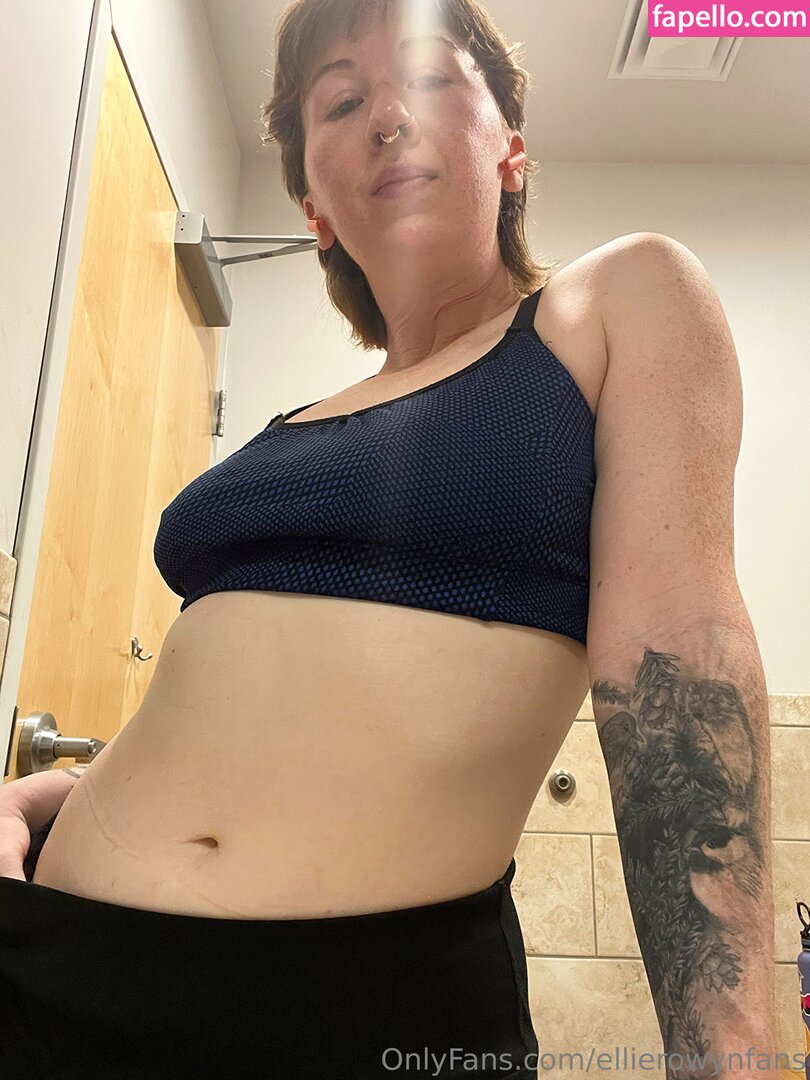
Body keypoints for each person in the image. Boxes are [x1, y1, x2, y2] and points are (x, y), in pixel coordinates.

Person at [1, 0, 776, 1076]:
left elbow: (683, 654)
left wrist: (732, 1059)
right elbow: (241, 698)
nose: (386, 116)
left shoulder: (607, 307)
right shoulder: (288, 429)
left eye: (428, 78)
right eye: (342, 101)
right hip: (49, 962)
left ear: (511, 150)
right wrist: (48, 796)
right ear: (314, 209)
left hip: (362, 1008)